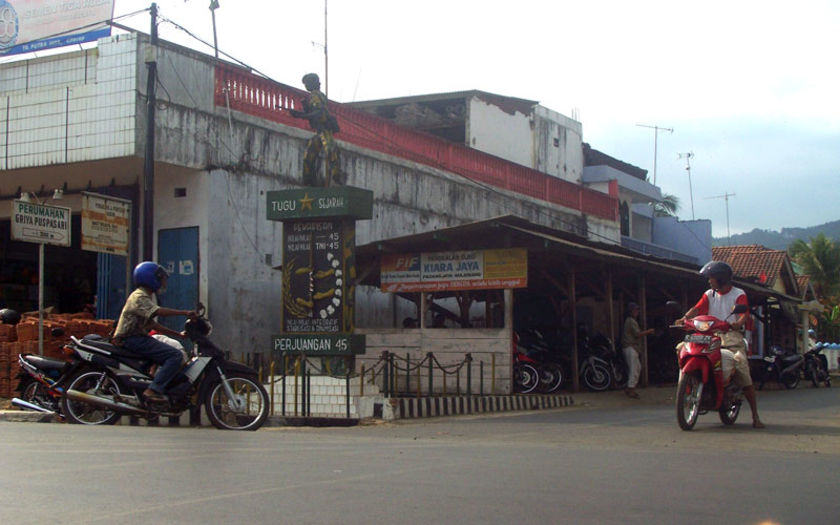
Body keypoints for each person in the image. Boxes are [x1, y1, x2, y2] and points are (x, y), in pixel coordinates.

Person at [676, 261, 765, 428]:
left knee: (741, 366)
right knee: (682, 348)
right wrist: (684, 319)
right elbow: (696, 309)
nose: (709, 281)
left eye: (712, 278)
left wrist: (737, 323)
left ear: (721, 279)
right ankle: (687, 384)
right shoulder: (709, 294)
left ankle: (755, 415)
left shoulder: (739, 294)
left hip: (730, 334)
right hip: (708, 334)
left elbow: (743, 314)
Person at [112, 262, 196, 403]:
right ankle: (153, 390)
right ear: (151, 278)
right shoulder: (139, 297)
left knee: (164, 353)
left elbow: (153, 324)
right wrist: (185, 312)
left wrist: (178, 335)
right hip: (132, 339)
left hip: (137, 338)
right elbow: (158, 312)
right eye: (161, 278)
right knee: (175, 355)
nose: (163, 282)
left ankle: (152, 384)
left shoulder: (144, 296)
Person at [288, 73, 344, 186]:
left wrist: (300, 116)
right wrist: (301, 114)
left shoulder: (315, 95)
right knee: (311, 154)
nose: (306, 86)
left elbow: (318, 112)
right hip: (320, 131)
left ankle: (334, 176)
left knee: (328, 152)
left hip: (324, 130)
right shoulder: (317, 95)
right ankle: (312, 179)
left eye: (307, 83)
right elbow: (314, 112)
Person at [622, 302, 654, 398]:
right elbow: (637, 334)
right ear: (631, 311)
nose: (637, 312)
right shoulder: (631, 321)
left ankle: (630, 387)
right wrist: (649, 331)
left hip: (631, 347)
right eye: (635, 310)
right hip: (630, 347)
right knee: (634, 369)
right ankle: (631, 389)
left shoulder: (630, 320)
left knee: (637, 367)